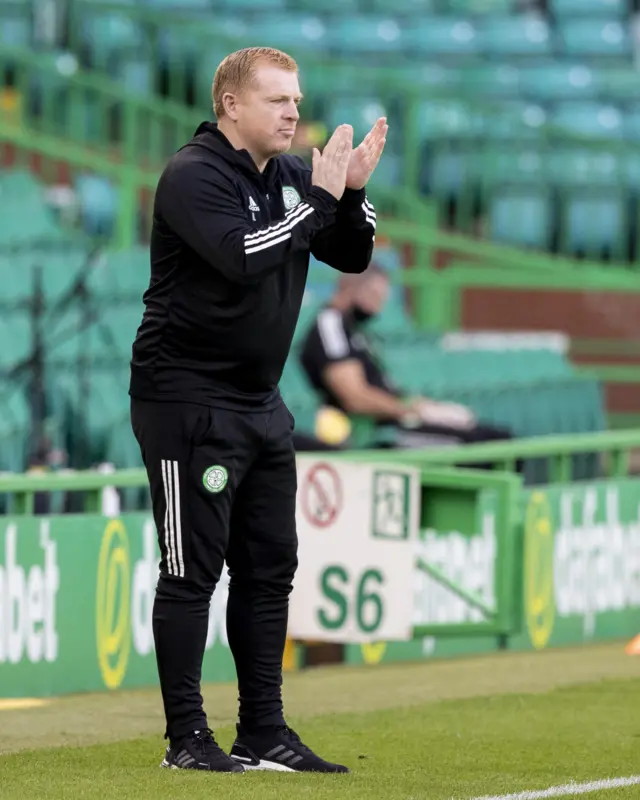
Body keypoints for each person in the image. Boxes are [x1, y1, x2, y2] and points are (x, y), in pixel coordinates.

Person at [128, 47, 385, 774]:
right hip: (186, 399)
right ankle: (186, 739)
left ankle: (263, 732)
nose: (294, 112)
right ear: (233, 106)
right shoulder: (193, 175)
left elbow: (351, 255)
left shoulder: (293, 176)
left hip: (259, 400)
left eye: (297, 99)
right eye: (278, 100)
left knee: (271, 567)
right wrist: (318, 202)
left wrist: (352, 194)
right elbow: (244, 253)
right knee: (191, 570)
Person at [299, 265, 514, 450]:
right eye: (374, 297)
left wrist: (424, 406)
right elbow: (354, 397)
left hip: (395, 421)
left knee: (497, 436)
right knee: (475, 444)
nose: (377, 308)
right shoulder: (330, 325)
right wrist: (411, 411)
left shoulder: (354, 329)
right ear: (351, 289)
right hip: (375, 434)